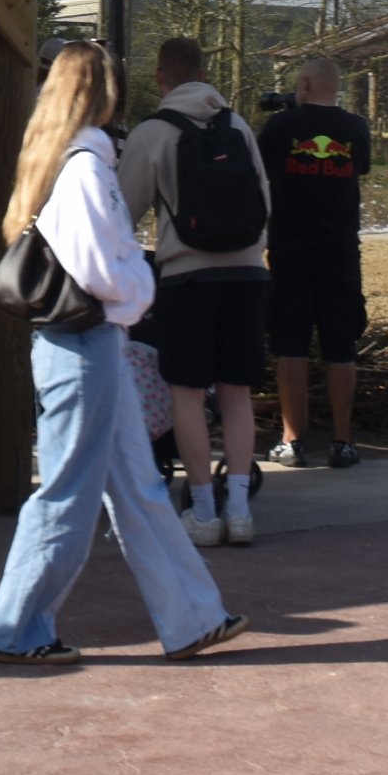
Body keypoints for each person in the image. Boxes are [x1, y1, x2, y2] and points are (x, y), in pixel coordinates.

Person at [0, 41, 245, 666]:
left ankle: (193, 618)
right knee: (70, 493)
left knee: (138, 488)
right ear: (108, 92)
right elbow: (103, 268)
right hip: (88, 345)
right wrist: (143, 288)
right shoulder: (87, 167)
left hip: (85, 345)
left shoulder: (62, 161)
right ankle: (14, 630)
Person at [121, 36, 273, 546]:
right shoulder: (240, 126)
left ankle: (203, 511)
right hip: (249, 274)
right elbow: (264, 205)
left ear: (162, 78)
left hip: (187, 277)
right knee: (236, 393)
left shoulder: (153, 132)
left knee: (187, 394)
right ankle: (240, 511)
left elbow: (123, 212)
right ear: (206, 73)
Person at [258, 57, 373, 468]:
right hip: (341, 251)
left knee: (291, 345)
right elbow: (360, 167)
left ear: (304, 84)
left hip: (291, 251)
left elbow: (262, 172)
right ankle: (343, 441)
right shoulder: (356, 128)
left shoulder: (280, 128)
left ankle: (292, 440)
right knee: (341, 346)